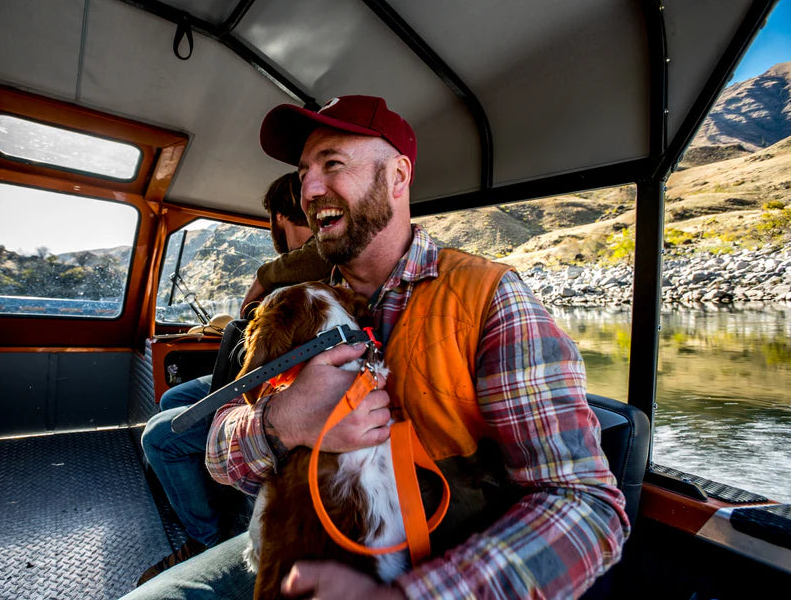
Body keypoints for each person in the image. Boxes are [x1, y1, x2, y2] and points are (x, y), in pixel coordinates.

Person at [123, 96, 630, 600]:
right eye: (304, 174)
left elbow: (586, 506)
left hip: (444, 568)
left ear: (398, 177)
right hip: (302, 540)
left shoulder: (488, 297)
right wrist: (285, 421)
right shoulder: (303, 304)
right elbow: (217, 451)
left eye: (333, 165)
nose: (310, 190)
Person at [137, 173, 332, 585]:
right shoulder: (297, 268)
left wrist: (261, 281)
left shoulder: (321, 263)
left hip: (277, 389)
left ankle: (206, 540)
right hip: (245, 376)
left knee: (158, 437)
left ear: (280, 217)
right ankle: (208, 499)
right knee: (172, 398)